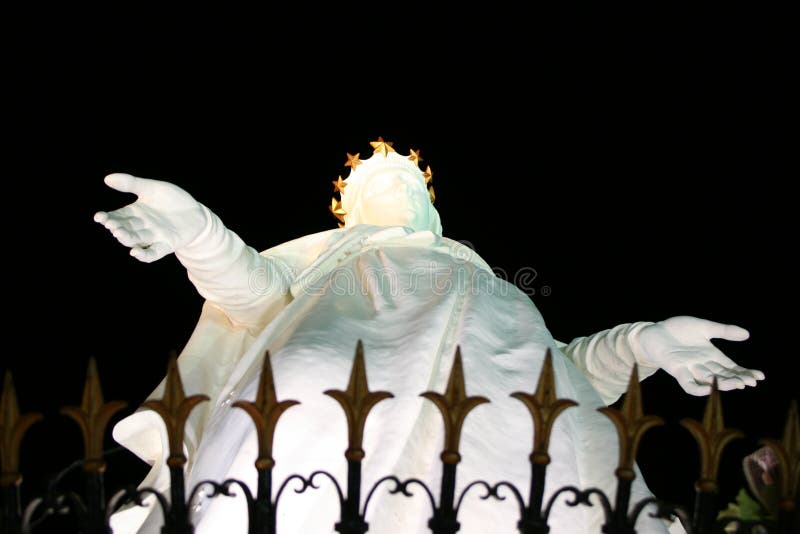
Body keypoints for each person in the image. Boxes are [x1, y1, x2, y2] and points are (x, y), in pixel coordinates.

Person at [95, 139, 763, 533]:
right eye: (379, 181)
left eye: (412, 181)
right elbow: (253, 292)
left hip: (505, 419)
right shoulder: (337, 254)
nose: (401, 189)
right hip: (336, 382)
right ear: (346, 209)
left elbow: (563, 370)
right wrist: (199, 232)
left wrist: (643, 342)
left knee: (576, 454)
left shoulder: (485, 277)